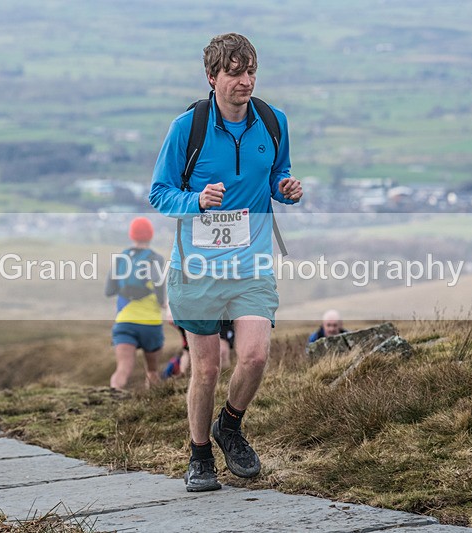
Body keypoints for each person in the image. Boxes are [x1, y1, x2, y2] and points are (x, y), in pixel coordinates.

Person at [149, 33, 303, 492]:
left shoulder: (273, 122)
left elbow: (277, 174)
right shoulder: (187, 129)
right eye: (235, 72)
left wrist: (286, 189)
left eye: (251, 71)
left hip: (251, 263)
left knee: (254, 356)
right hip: (197, 268)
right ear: (212, 77)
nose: (246, 81)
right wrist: (197, 200)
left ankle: (229, 426)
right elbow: (160, 193)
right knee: (208, 369)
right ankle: (199, 456)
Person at [105, 217, 167, 390]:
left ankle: (113, 399)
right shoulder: (156, 258)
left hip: (125, 321)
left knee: (123, 369)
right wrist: (162, 302)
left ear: (131, 235)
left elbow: (108, 291)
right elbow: (159, 284)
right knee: (153, 371)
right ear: (151, 235)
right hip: (150, 323)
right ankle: (152, 408)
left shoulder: (120, 259)